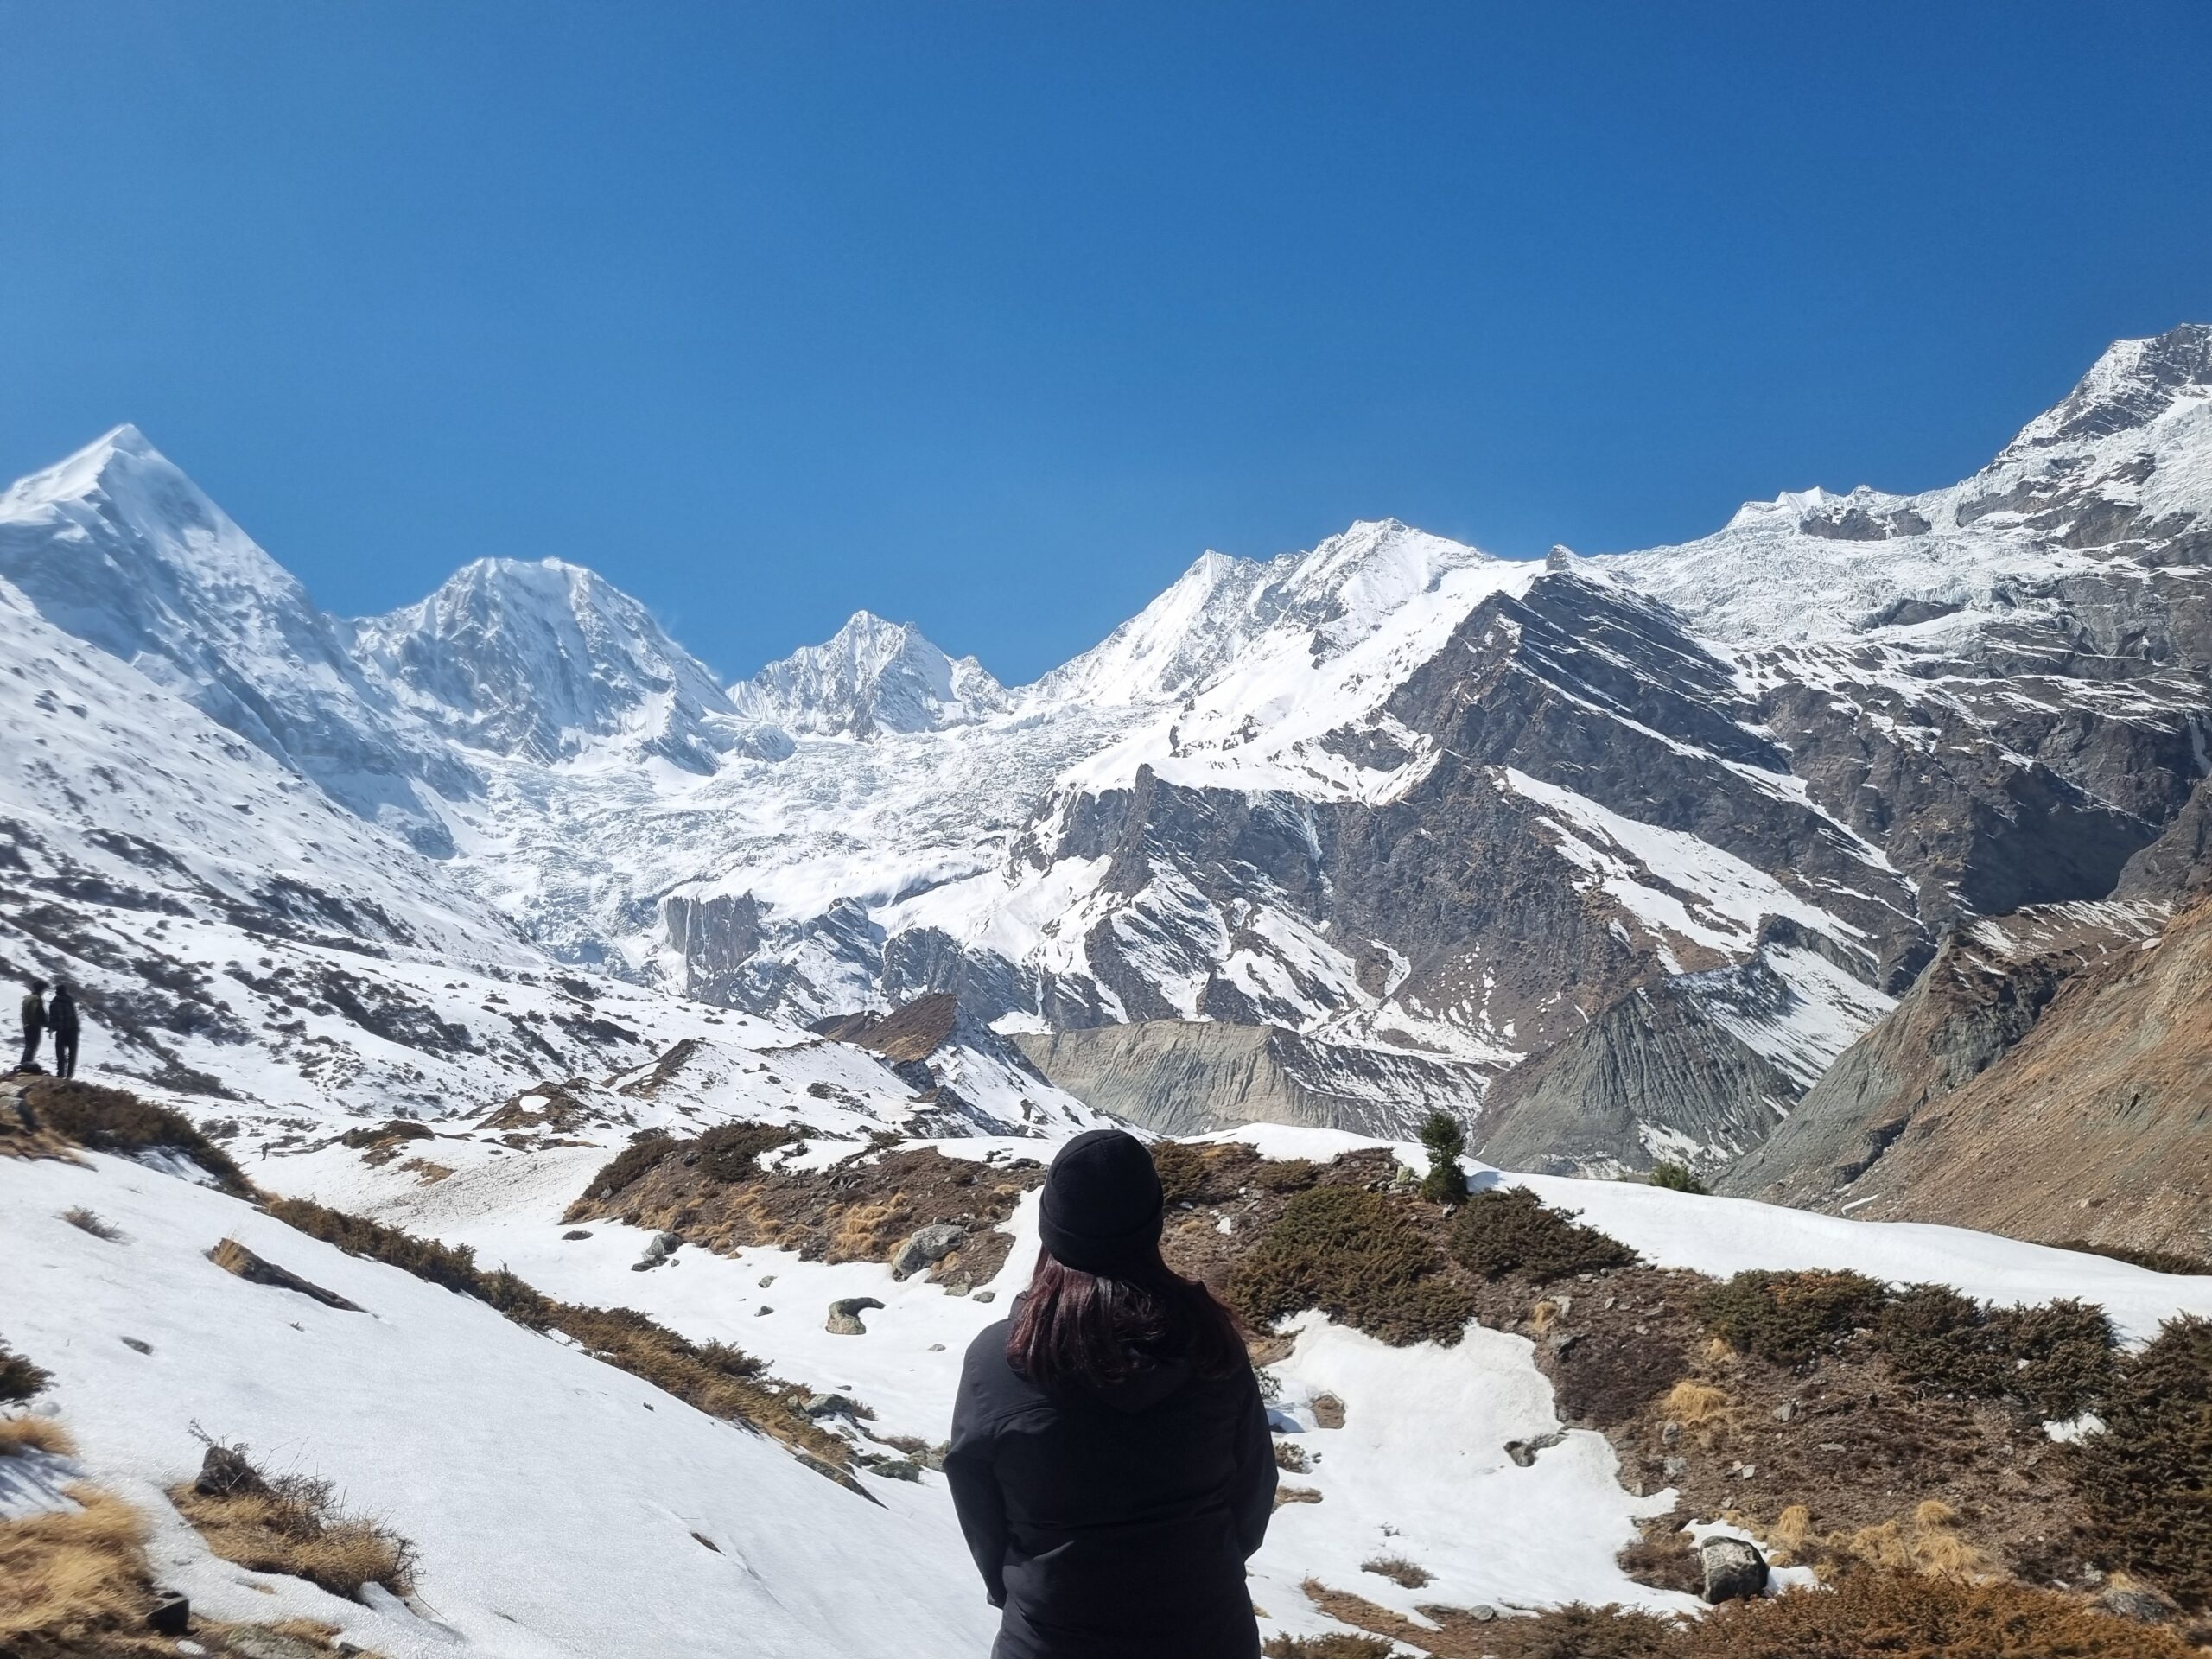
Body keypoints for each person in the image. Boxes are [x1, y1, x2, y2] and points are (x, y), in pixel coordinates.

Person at [946, 1128, 1275, 1659]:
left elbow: (978, 1502)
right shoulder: (1212, 1343)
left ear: (1051, 1231)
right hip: (1209, 1629)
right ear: (1152, 1226)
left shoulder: (999, 1360)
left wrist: (1021, 1590)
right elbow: (1254, 1490)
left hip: (1051, 1634)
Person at [47, 983, 78, 1081]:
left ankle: (60, 1073)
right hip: (72, 1030)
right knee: (72, 1053)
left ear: (57, 992)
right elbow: (74, 1016)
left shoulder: (54, 1002)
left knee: (60, 1053)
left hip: (61, 1031)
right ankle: (69, 1075)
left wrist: (51, 1030)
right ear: (65, 991)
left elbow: (52, 1018)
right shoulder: (70, 1000)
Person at [16, 978, 44, 1073]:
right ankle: (26, 1065)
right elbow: (36, 1011)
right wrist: (42, 1021)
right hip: (34, 1025)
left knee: (28, 1045)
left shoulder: (27, 998)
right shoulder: (36, 998)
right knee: (32, 1046)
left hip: (26, 1024)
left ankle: (24, 1063)